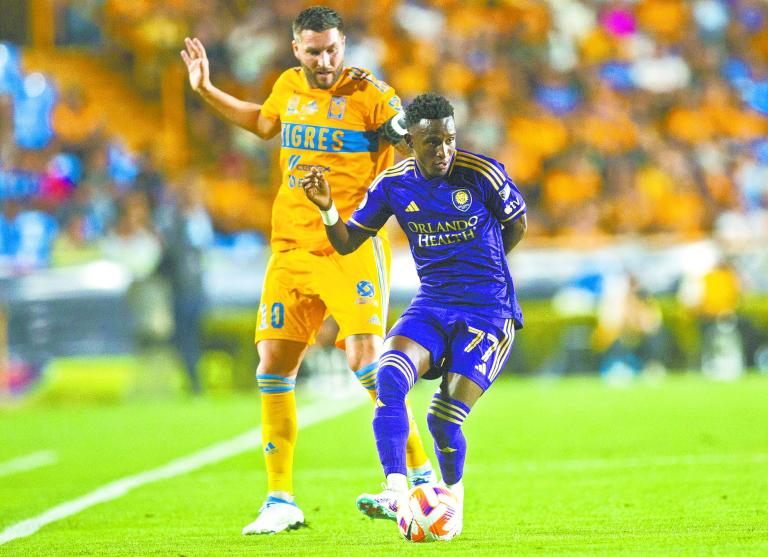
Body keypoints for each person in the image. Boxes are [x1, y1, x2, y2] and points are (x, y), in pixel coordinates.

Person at [180, 6, 434, 534]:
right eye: (314, 51)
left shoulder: (370, 92)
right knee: (272, 369)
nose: (324, 60)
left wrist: (401, 130)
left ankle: (422, 480)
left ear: (345, 45)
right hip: (290, 248)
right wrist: (205, 89)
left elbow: (400, 131)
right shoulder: (287, 86)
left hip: (350, 245)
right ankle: (280, 501)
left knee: (369, 364)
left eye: (332, 50)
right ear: (297, 49)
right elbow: (263, 123)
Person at [302, 93, 527, 536]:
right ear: (412, 141)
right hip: (433, 302)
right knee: (388, 373)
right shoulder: (393, 184)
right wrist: (328, 208)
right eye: (431, 143)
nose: (443, 151)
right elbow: (348, 242)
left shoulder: (482, 174)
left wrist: (484, 264)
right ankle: (396, 489)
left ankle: (452, 501)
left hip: (488, 311)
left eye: (448, 140)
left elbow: (516, 225)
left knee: (441, 420)